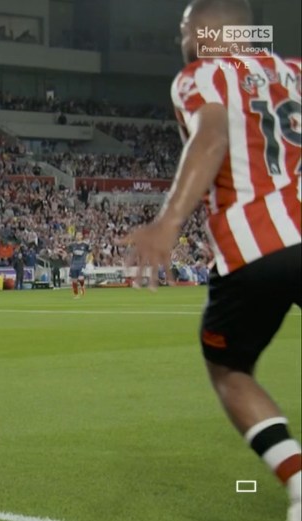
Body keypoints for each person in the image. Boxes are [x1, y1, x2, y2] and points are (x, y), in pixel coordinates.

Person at [123, 1, 301, 519]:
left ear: (204, 32)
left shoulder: (200, 75)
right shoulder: (293, 72)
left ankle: (297, 481)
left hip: (255, 245)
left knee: (229, 369)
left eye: (184, 29)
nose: (181, 39)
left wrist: (168, 222)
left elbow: (214, 134)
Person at [68, 233, 90, 298]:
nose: (78, 236)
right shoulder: (72, 245)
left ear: (81, 236)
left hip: (82, 263)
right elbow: (69, 253)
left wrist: (87, 259)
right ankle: (76, 294)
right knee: (74, 280)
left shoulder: (85, 245)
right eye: (77, 235)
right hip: (74, 264)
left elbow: (89, 252)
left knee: (81, 278)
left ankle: (82, 286)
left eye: (79, 235)